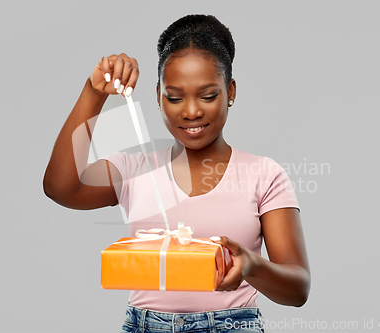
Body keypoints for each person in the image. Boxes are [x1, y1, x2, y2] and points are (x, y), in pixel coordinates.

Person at [43, 14, 310, 333]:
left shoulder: (264, 174)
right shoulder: (134, 168)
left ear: (231, 92)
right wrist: (93, 91)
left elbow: (298, 289)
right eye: (174, 97)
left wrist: (252, 265)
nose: (191, 110)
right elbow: (61, 188)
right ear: (158, 96)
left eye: (208, 95)